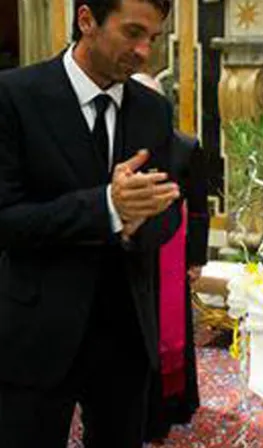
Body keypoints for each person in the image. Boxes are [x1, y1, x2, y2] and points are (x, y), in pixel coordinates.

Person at [0, 0, 180, 447]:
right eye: (132, 33)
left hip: (126, 336)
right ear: (86, 20)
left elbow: (169, 210)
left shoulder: (153, 111)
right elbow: (6, 219)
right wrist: (107, 207)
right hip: (37, 335)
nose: (144, 51)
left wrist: (138, 223)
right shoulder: (13, 95)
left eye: (153, 38)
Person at [131, 72, 210, 442]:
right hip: (126, 254)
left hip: (169, 258)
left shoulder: (185, 145)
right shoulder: (116, 145)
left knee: (166, 331)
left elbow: (197, 210)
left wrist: (195, 259)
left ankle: (168, 408)